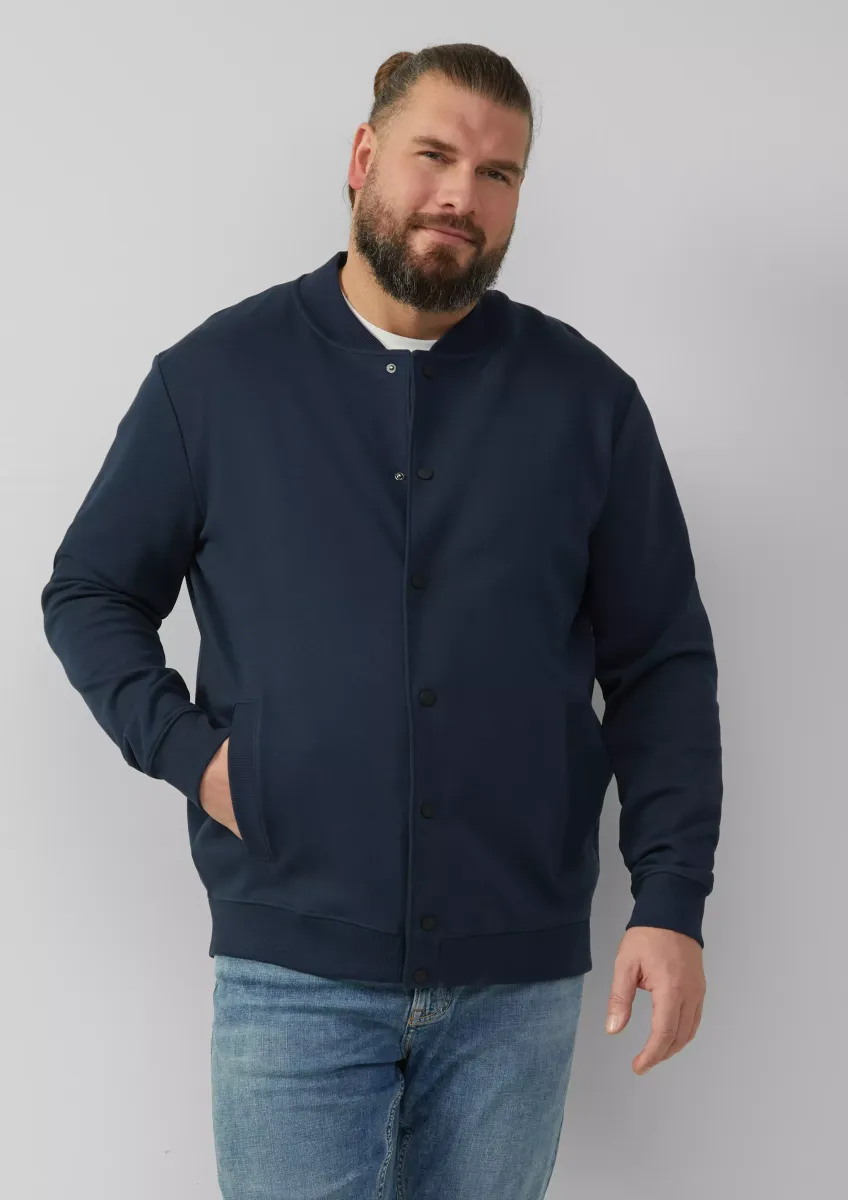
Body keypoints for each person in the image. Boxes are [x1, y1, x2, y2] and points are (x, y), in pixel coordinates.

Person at [41, 42, 723, 1199]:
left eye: (497, 173)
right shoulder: (213, 381)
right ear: (363, 157)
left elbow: (657, 663)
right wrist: (197, 758)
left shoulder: (587, 402)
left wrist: (669, 901)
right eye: (433, 155)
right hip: (290, 975)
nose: (462, 194)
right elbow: (90, 592)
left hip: (516, 989)